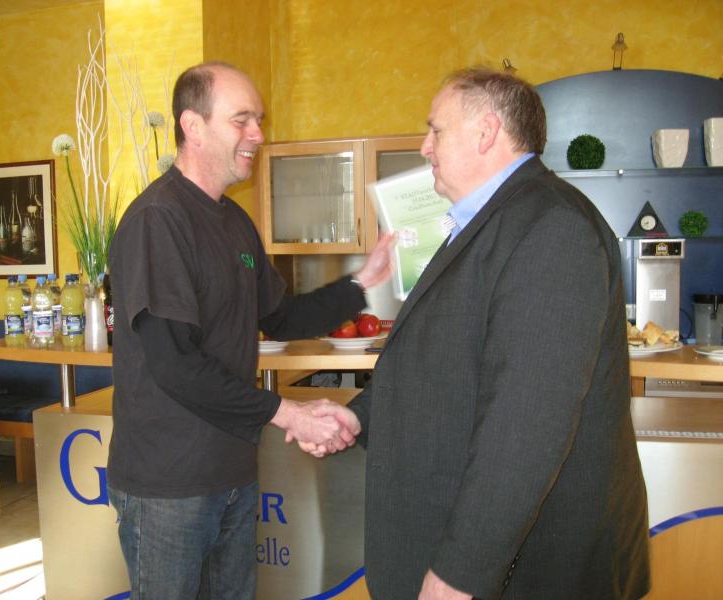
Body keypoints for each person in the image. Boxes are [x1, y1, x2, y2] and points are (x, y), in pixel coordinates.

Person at [308, 67, 651, 599]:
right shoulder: (491, 220)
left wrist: (463, 571)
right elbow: (440, 359)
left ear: (486, 132)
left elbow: (527, 421)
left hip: (532, 568)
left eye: (435, 130)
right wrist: (358, 416)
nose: (424, 146)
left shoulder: (551, 228)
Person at [106, 61, 392, 600]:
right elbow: (175, 364)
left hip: (233, 471)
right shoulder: (158, 220)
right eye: (242, 120)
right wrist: (288, 413)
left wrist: (363, 282)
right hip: (169, 485)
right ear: (193, 126)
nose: (258, 134)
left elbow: (282, 317)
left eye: (258, 120)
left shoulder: (234, 221)